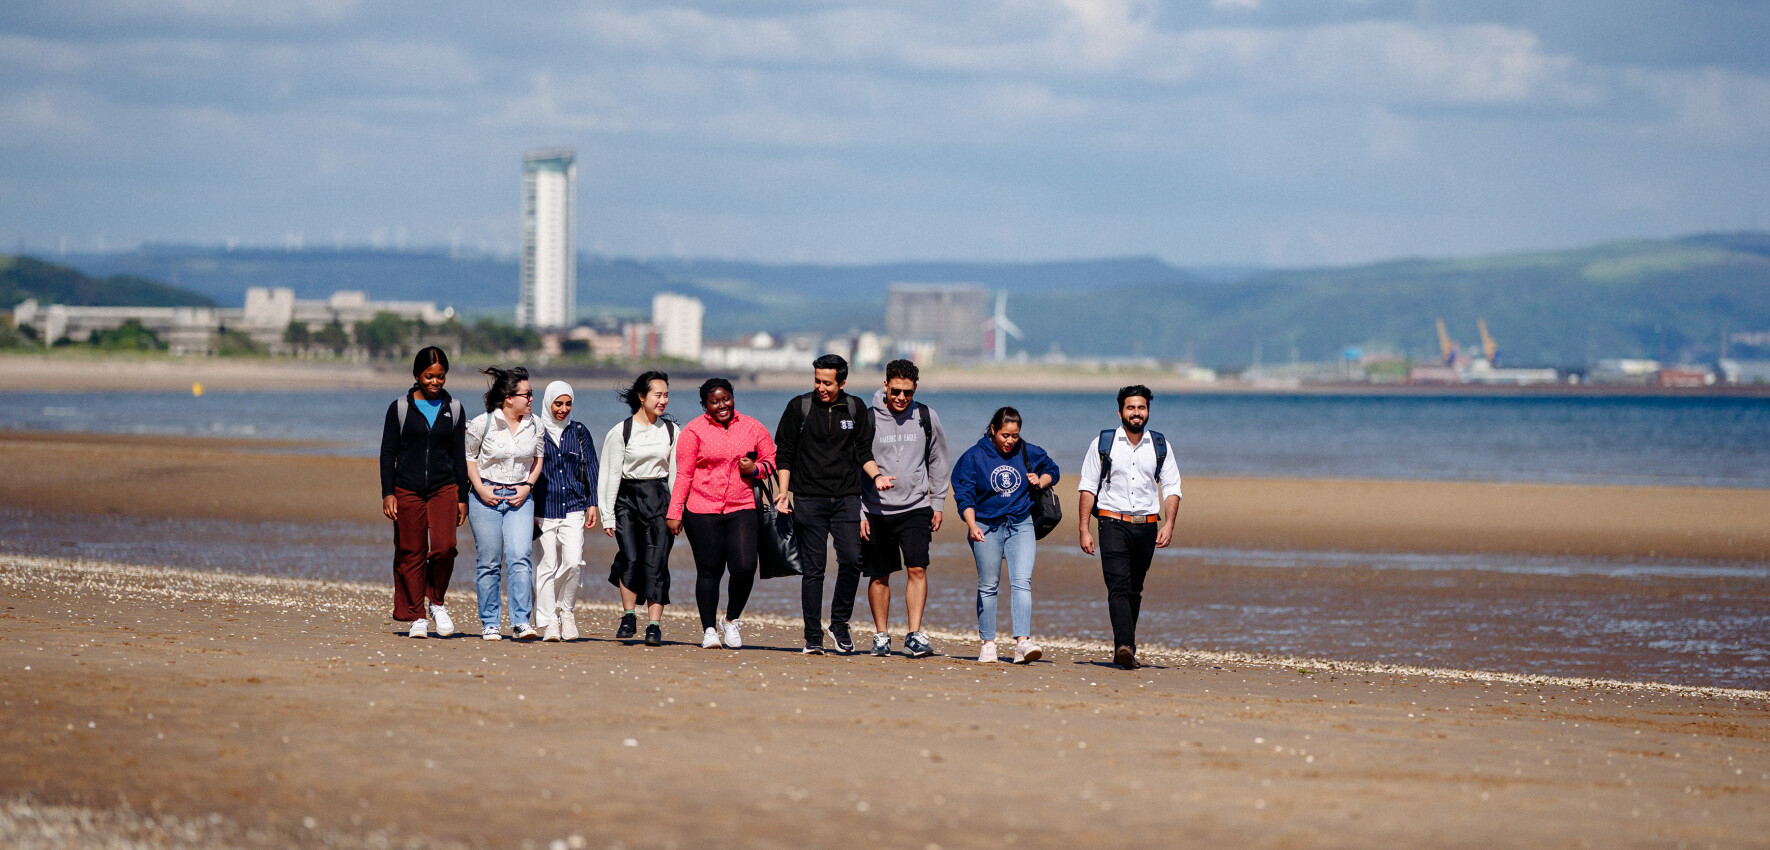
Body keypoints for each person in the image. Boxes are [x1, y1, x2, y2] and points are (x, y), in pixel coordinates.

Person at [773, 354, 892, 655]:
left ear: (842, 381)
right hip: (809, 499)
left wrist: (876, 476)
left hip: (846, 499)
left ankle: (839, 623)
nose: (821, 387)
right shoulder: (798, 407)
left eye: (827, 382)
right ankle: (812, 636)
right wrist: (783, 492)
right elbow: (784, 452)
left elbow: (863, 451)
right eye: (817, 381)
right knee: (814, 570)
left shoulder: (855, 408)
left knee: (852, 561)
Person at [1076, 385, 1182, 670]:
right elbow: (1087, 486)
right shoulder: (1103, 442)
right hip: (1111, 522)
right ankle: (1125, 645)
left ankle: (1123, 648)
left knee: (1135, 589)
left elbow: (1172, 487)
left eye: (1142, 407)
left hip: (1147, 525)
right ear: (1120, 411)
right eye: (1131, 407)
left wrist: (1169, 524)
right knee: (1118, 586)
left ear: (1148, 410)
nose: (1137, 413)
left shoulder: (1160, 445)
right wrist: (1084, 528)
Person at [668, 378, 777, 650]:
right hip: (701, 508)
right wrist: (675, 511)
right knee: (709, 570)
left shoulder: (753, 427)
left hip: (742, 506)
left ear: (732, 397)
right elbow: (684, 474)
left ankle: (730, 619)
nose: (722, 405)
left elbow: (772, 461)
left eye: (725, 399)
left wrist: (754, 469)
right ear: (705, 405)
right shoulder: (693, 431)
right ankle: (708, 630)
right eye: (714, 401)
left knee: (745, 566)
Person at [950, 406, 1059, 664]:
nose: (1010, 441)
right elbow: (963, 495)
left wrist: (1040, 480)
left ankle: (1022, 642)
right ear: (993, 430)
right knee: (988, 586)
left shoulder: (1026, 450)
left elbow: (1052, 469)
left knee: (1022, 581)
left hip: (1021, 524)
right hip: (985, 526)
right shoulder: (973, 457)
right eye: (1004, 435)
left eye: (1014, 435)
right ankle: (988, 644)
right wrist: (971, 524)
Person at [858, 359, 949, 658]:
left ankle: (914, 635)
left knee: (917, 568)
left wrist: (937, 502)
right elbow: (856, 464)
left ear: (915, 389)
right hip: (876, 509)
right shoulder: (868, 418)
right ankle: (881, 636)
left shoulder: (925, 415)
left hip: (916, 506)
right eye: (895, 390)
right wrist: (859, 511)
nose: (900, 398)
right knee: (880, 575)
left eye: (907, 392)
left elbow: (937, 460)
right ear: (885, 385)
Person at [379, 346, 469, 639]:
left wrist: (462, 497)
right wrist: (388, 492)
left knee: (445, 547)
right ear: (417, 375)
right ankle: (417, 615)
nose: (434, 382)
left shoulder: (454, 408)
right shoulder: (400, 408)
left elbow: (459, 455)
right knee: (412, 551)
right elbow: (387, 453)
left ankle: (437, 602)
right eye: (429, 376)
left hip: (445, 487)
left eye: (440, 377)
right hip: (407, 489)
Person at [464, 366, 546, 641]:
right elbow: (470, 458)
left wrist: (527, 487)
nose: (532, 399)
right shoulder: (481, 424)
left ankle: (521, 622)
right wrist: (480, 489)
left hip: (520, 498)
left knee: (520, 557)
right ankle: (490, 623)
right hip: (485, 496)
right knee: (488, 562)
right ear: (509, 398)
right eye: (527, 394)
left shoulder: (535, 425)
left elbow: (538, 459)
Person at [598, 371, 677, 647]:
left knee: (657, 563)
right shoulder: (621, 431)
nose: (663, 400)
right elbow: (609, 475)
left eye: (666, 394)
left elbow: (676, 475)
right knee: (630, 558)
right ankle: (628, 617)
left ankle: (654, 625)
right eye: (658, 395)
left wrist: (677, 511)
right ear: (642, 397)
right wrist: (607, 514)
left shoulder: (670, 431)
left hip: (659, 500)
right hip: (627, 500)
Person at [533, 380, 600, 642]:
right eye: (558, 403)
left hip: (574, 506)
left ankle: (567, 611)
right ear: (548, 402)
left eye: (568, 403)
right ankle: (549, 621)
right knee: (546, 565)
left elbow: (592, 468)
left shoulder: (580, 431)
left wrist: (592, 502)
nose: (563, 409)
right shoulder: (536, 431)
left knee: (573, 562)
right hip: (543, 508)